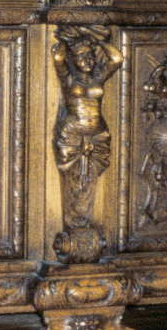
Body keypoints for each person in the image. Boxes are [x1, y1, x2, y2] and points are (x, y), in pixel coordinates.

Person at [52, 25, 122, 229]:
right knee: (75, 176)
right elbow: (58, 58)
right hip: (73, 135)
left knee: (90, 175)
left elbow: (117, 59)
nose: (88, 61)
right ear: (73, 60)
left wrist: (97, 40)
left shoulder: (98, 75)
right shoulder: (69, 77)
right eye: (82, 57)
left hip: (98, 135)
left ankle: (83, 217)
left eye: (90, 57)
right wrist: (68, 40)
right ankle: (74, 218)